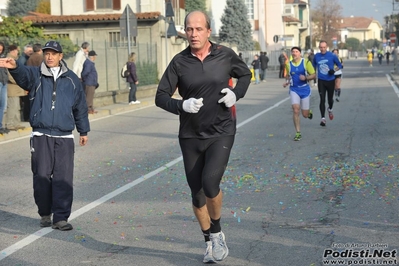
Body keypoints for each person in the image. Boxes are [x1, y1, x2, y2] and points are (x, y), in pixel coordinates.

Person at [155, 10, 251, 263]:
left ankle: (217, 232)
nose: (193, 34)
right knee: (196, 194)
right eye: (189, 29)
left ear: (209, 31)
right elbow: (160, 96)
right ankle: (208, 240)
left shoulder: (225, 55)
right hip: (190, 135)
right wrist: (181, 105)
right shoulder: (179, 62)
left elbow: (246, 74)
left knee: (210, 183)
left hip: (221, 131)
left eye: (198, 29)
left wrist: (236, 93)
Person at [0, 40, 90, 231]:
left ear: (60, 56)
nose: (49, 57)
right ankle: (45, 213)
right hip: (41, 134)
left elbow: (80, 107)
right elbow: (23, 75)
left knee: (63, 177)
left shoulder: (72, 80)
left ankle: (61, 217)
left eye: (53, 54)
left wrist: (83, 130)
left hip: (64, 136)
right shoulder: (36, 75)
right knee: (41, 175)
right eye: (47, 53)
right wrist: (14, 67)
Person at [283, 46, 315, 141]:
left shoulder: (306, 62)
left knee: (304, 115)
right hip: (294, 89)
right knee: (296, 110)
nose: (294, 53)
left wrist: (306, 78)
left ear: (300, 53)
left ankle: (308, 113)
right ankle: (298, 132)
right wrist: (287, 82)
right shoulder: (288, 65)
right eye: (293, 52)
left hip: (304, 89)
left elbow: (313, 74)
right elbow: (290, 76)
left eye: (296, 51)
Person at [313, 40, 343, 127]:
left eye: (324, 47)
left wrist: (333, 70)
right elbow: (313, 66)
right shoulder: (316, 56)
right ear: (319, 47)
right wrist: (311, 75)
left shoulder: (332, 55)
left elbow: (340, 65)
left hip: (330, 80)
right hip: (321, 80)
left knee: (330, 100)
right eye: (321, 47)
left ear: (327, 47)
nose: (322, 49)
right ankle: (323, 118)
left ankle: (330, 109)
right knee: (322, 99)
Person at [5, 45, 26, 131]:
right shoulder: (8, 60)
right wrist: (19, 80)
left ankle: (16, 123)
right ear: (13, 51)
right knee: (12, 106)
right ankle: (9, 124)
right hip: (12, 87)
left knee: (17, 106)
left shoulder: (14, 59)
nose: (18, 52)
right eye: (17, 50)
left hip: (16, 88)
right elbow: (9, 75)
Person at [0, 42, 8, 134]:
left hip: (4, 82)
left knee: (3, 106)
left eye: (1, 49)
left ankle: (0, 125)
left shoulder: (3, 57)